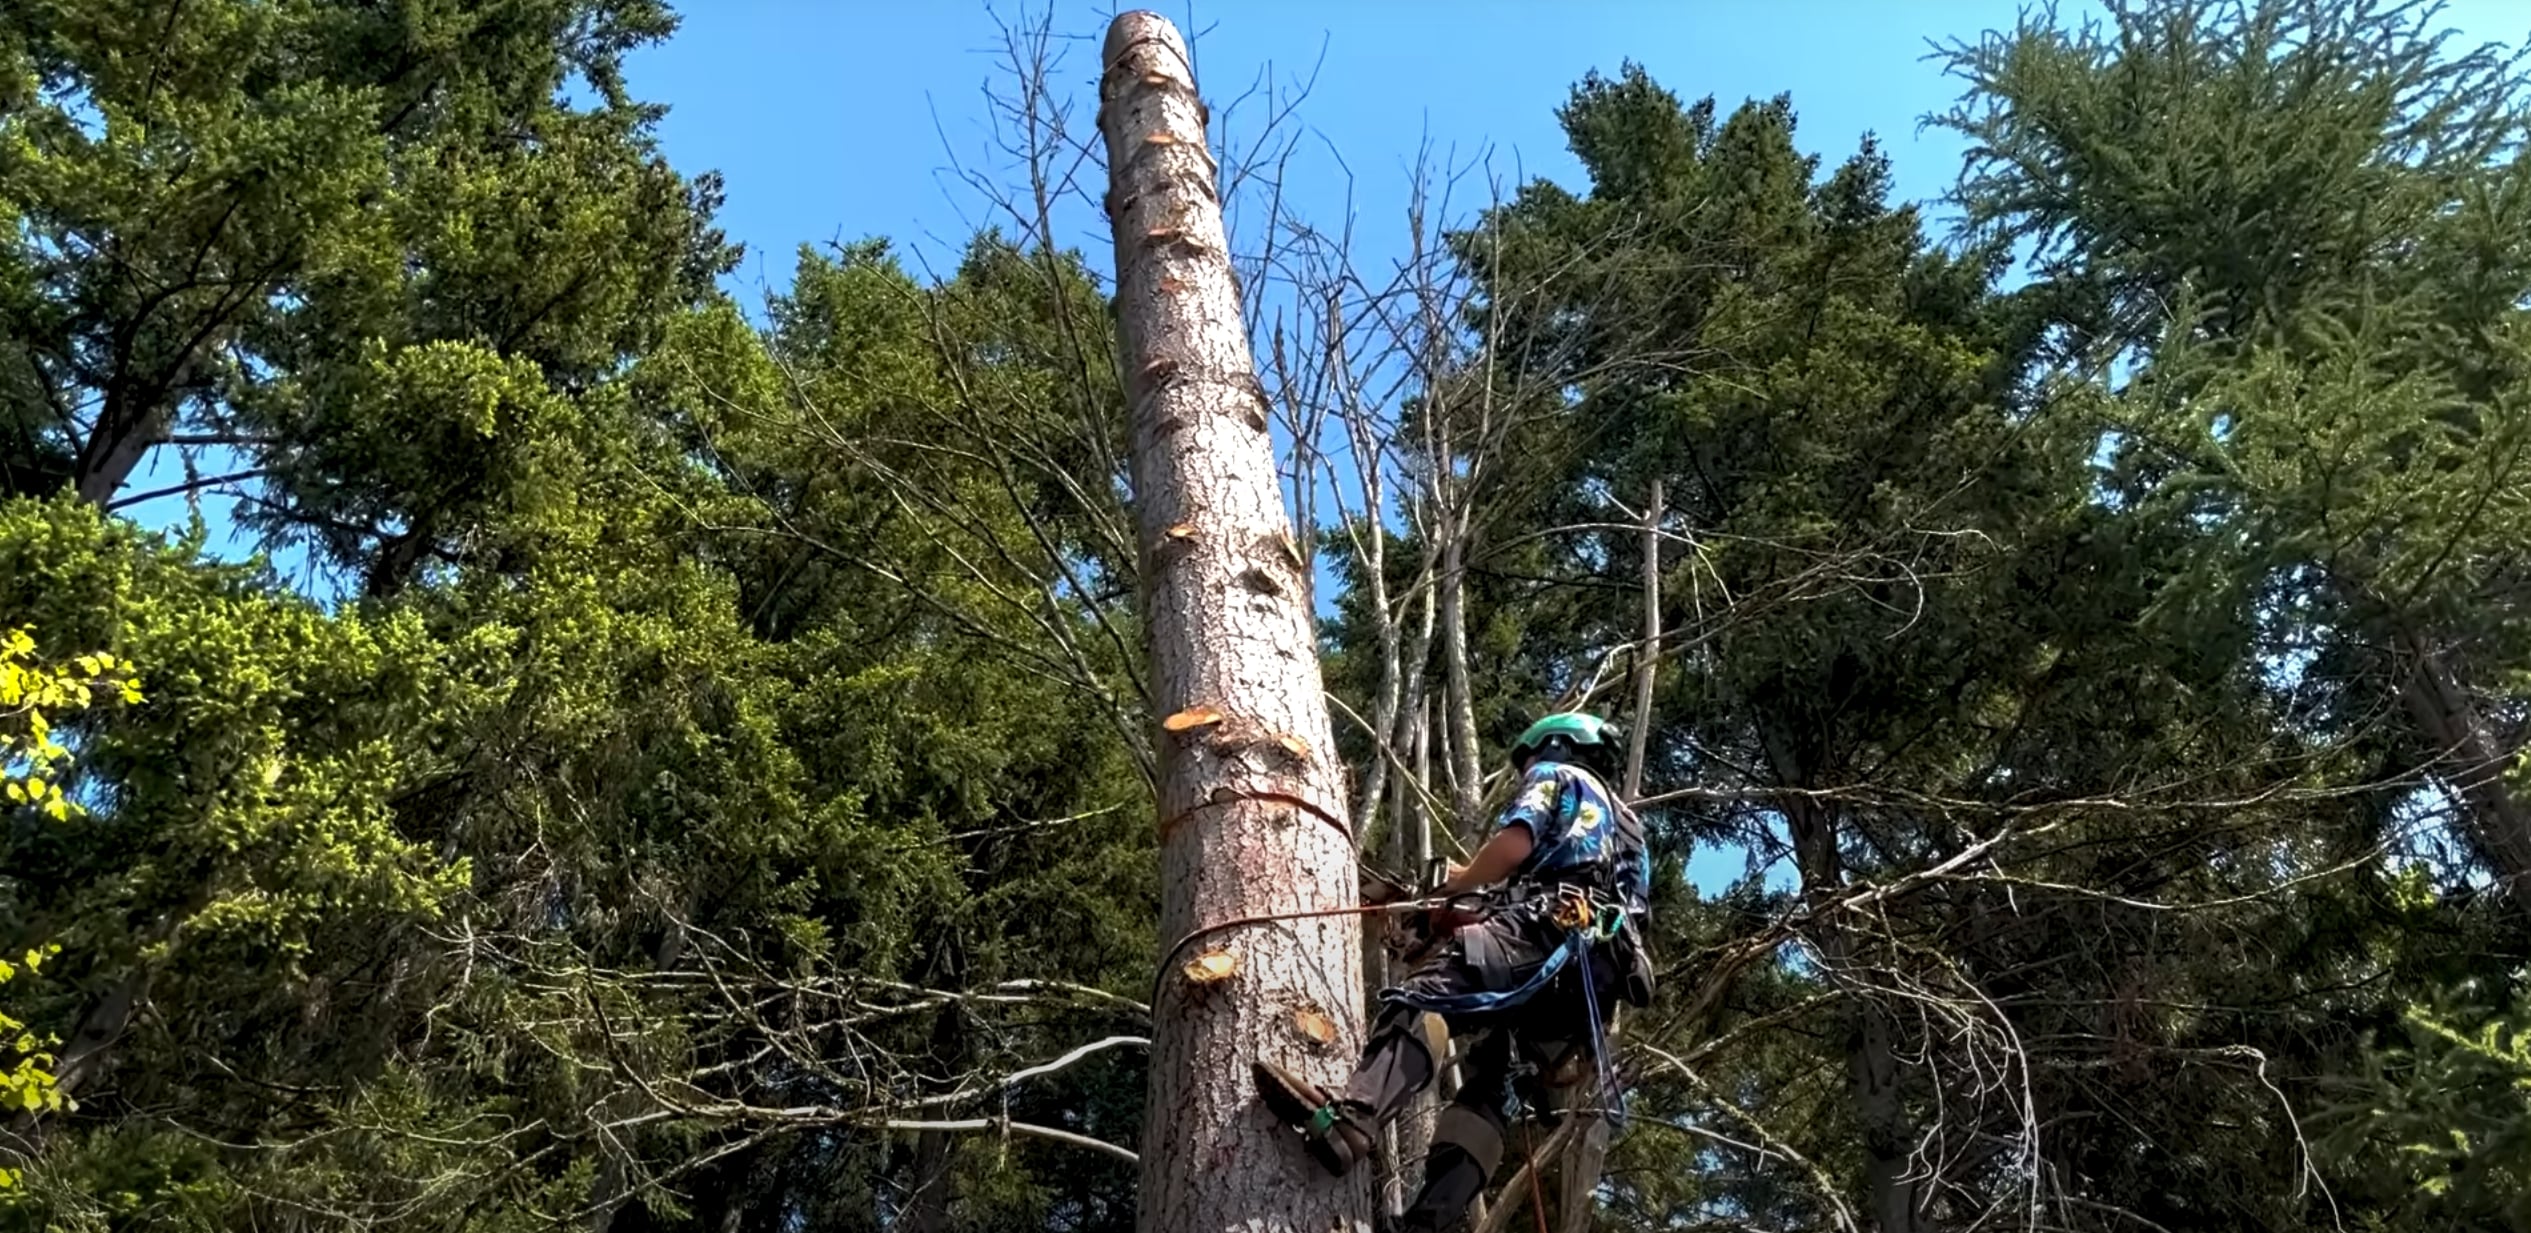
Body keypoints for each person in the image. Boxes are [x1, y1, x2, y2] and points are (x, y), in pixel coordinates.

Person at [1254, 711, 1655, 1232]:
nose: (1528, 770)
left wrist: (1455, 883)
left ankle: (1353, 1123)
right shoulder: (1630, 829)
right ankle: (1426, 1227)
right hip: (1594, 984)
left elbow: (1515, 846)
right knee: (1494, 1086)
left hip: (1547, 927)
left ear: (1556, 744)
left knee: (1428, 997)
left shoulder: (1557, 775)